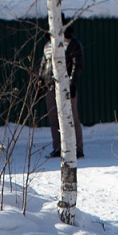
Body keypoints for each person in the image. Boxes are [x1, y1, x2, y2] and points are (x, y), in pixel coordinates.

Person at [40, 16, 83, 159]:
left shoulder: (72, 43)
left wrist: (72, 83)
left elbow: (77, 65)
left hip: (66, 86)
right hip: (50, 86)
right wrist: (40, 79)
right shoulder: (47, 45)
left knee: (72, 118)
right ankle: (58, 148)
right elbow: (43, 65)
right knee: (54, 119)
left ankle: (77, 148)